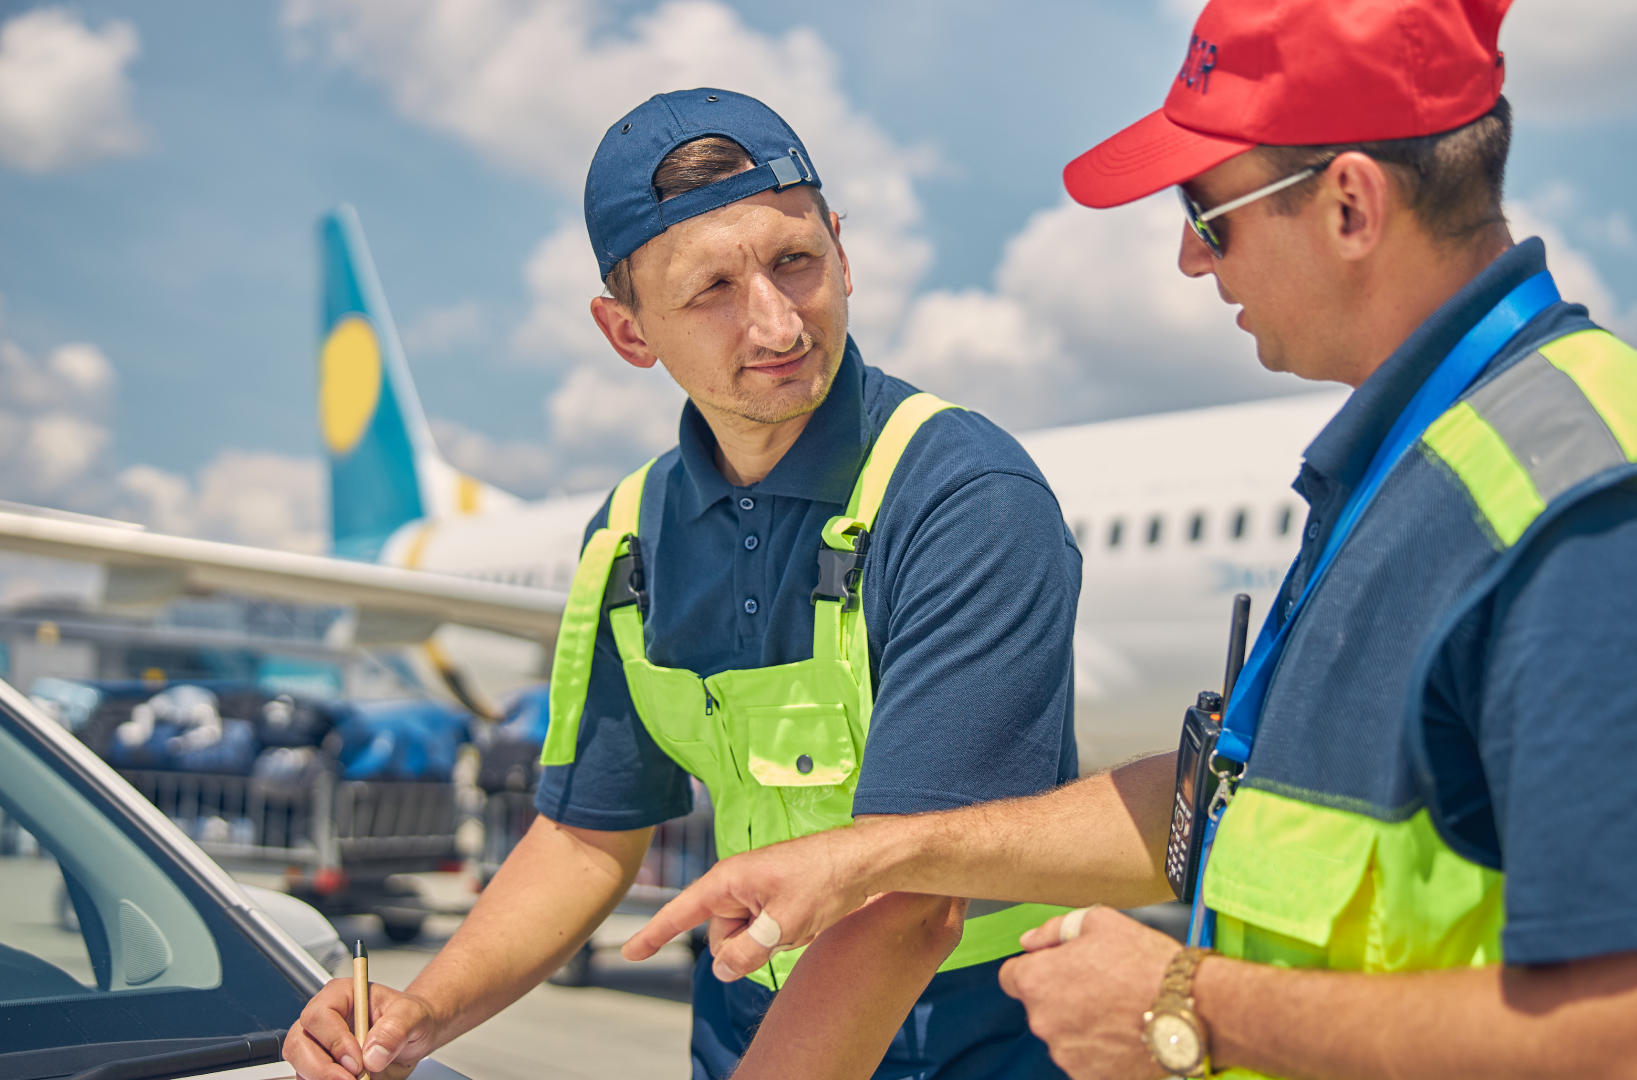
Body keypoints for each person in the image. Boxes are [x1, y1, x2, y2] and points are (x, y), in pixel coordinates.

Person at [626, 3, 1637, 1078]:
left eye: (1205, 214)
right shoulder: (1415, 464)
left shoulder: (1580, 496)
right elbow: (1247, 802)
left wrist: (1181, 1002)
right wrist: (875, 856)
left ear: (1350, 207)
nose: (1188, 259)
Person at [283, 89, 1080, 1080]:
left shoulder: (961, 493)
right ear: (627, 332)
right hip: (754, 1017)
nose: (780, 323)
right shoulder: (627, 536)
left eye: (797, 261)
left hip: (981, 1031)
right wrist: (420, 1012)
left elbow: (914, 901)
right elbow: (585, 837)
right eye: (712, 289)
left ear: (842, 244)